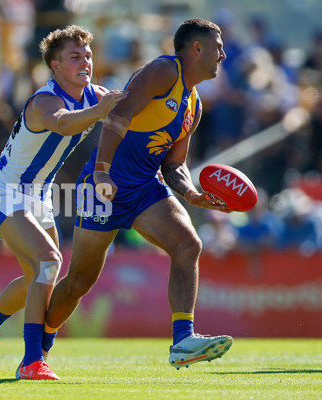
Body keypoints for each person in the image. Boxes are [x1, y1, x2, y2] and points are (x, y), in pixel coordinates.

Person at [43, 18, 234, 371]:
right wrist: (100, 171)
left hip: (145, 187)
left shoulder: (194, 104)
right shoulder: (164, 71)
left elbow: (175, 164)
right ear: (197, 48)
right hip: (104, 186)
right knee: (79, 281)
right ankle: (39, 347)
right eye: (217, 46)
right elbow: (118, 115)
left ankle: (182, 340)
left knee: (188, 244)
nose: (223, 54)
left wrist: (192, 195)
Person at [0, 25, 126, 380]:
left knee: (38, 273)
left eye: (87, 55)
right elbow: (63, 124)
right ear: (55, 66)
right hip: (4, 190)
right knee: (49, 262)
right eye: (74, 57)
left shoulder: (94, 95)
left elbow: (124, 108)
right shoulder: (45, 101)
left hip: (39, 193)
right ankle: (31, 361)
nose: (85, 62)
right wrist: (102, 110)